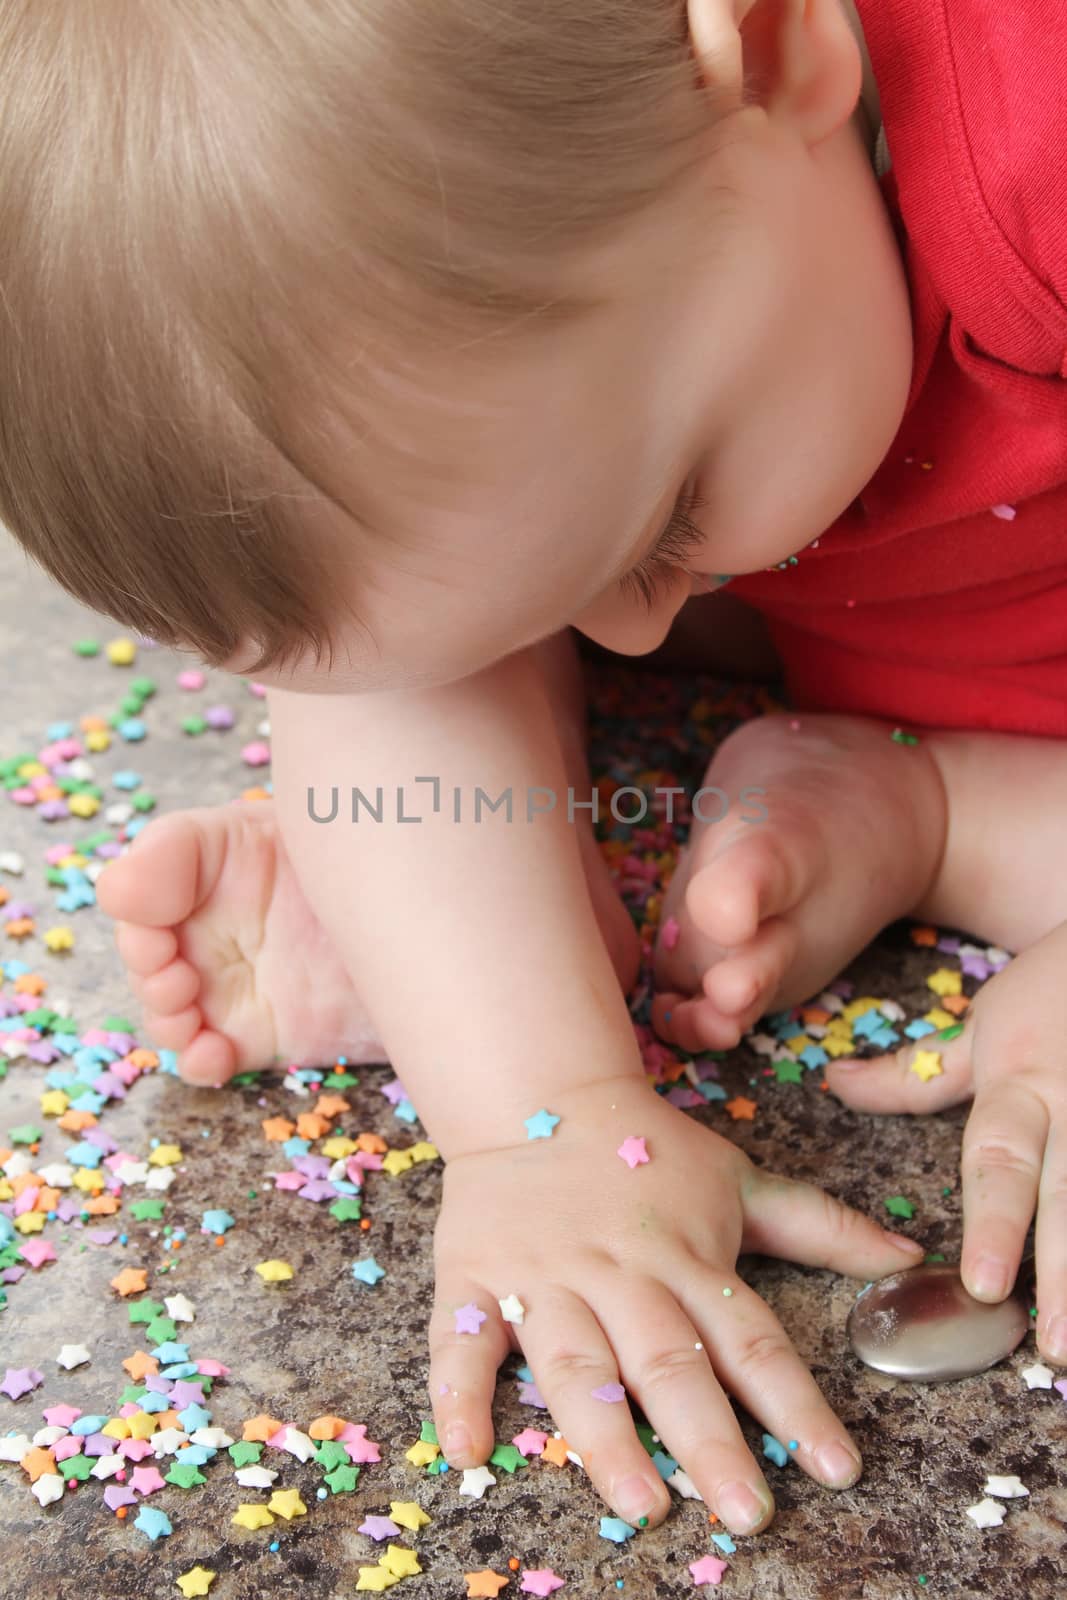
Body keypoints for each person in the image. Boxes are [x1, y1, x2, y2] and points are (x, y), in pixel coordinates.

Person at [1, 0, 1065, 1539]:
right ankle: (510, 919)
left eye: (665, 523)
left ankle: (938, 805)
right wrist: (536, 1113)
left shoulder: (1033, 144)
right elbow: (419, 648)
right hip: (873, 630)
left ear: (771, 55)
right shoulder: (633, 279)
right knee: (422, 606)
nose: (632, 640)